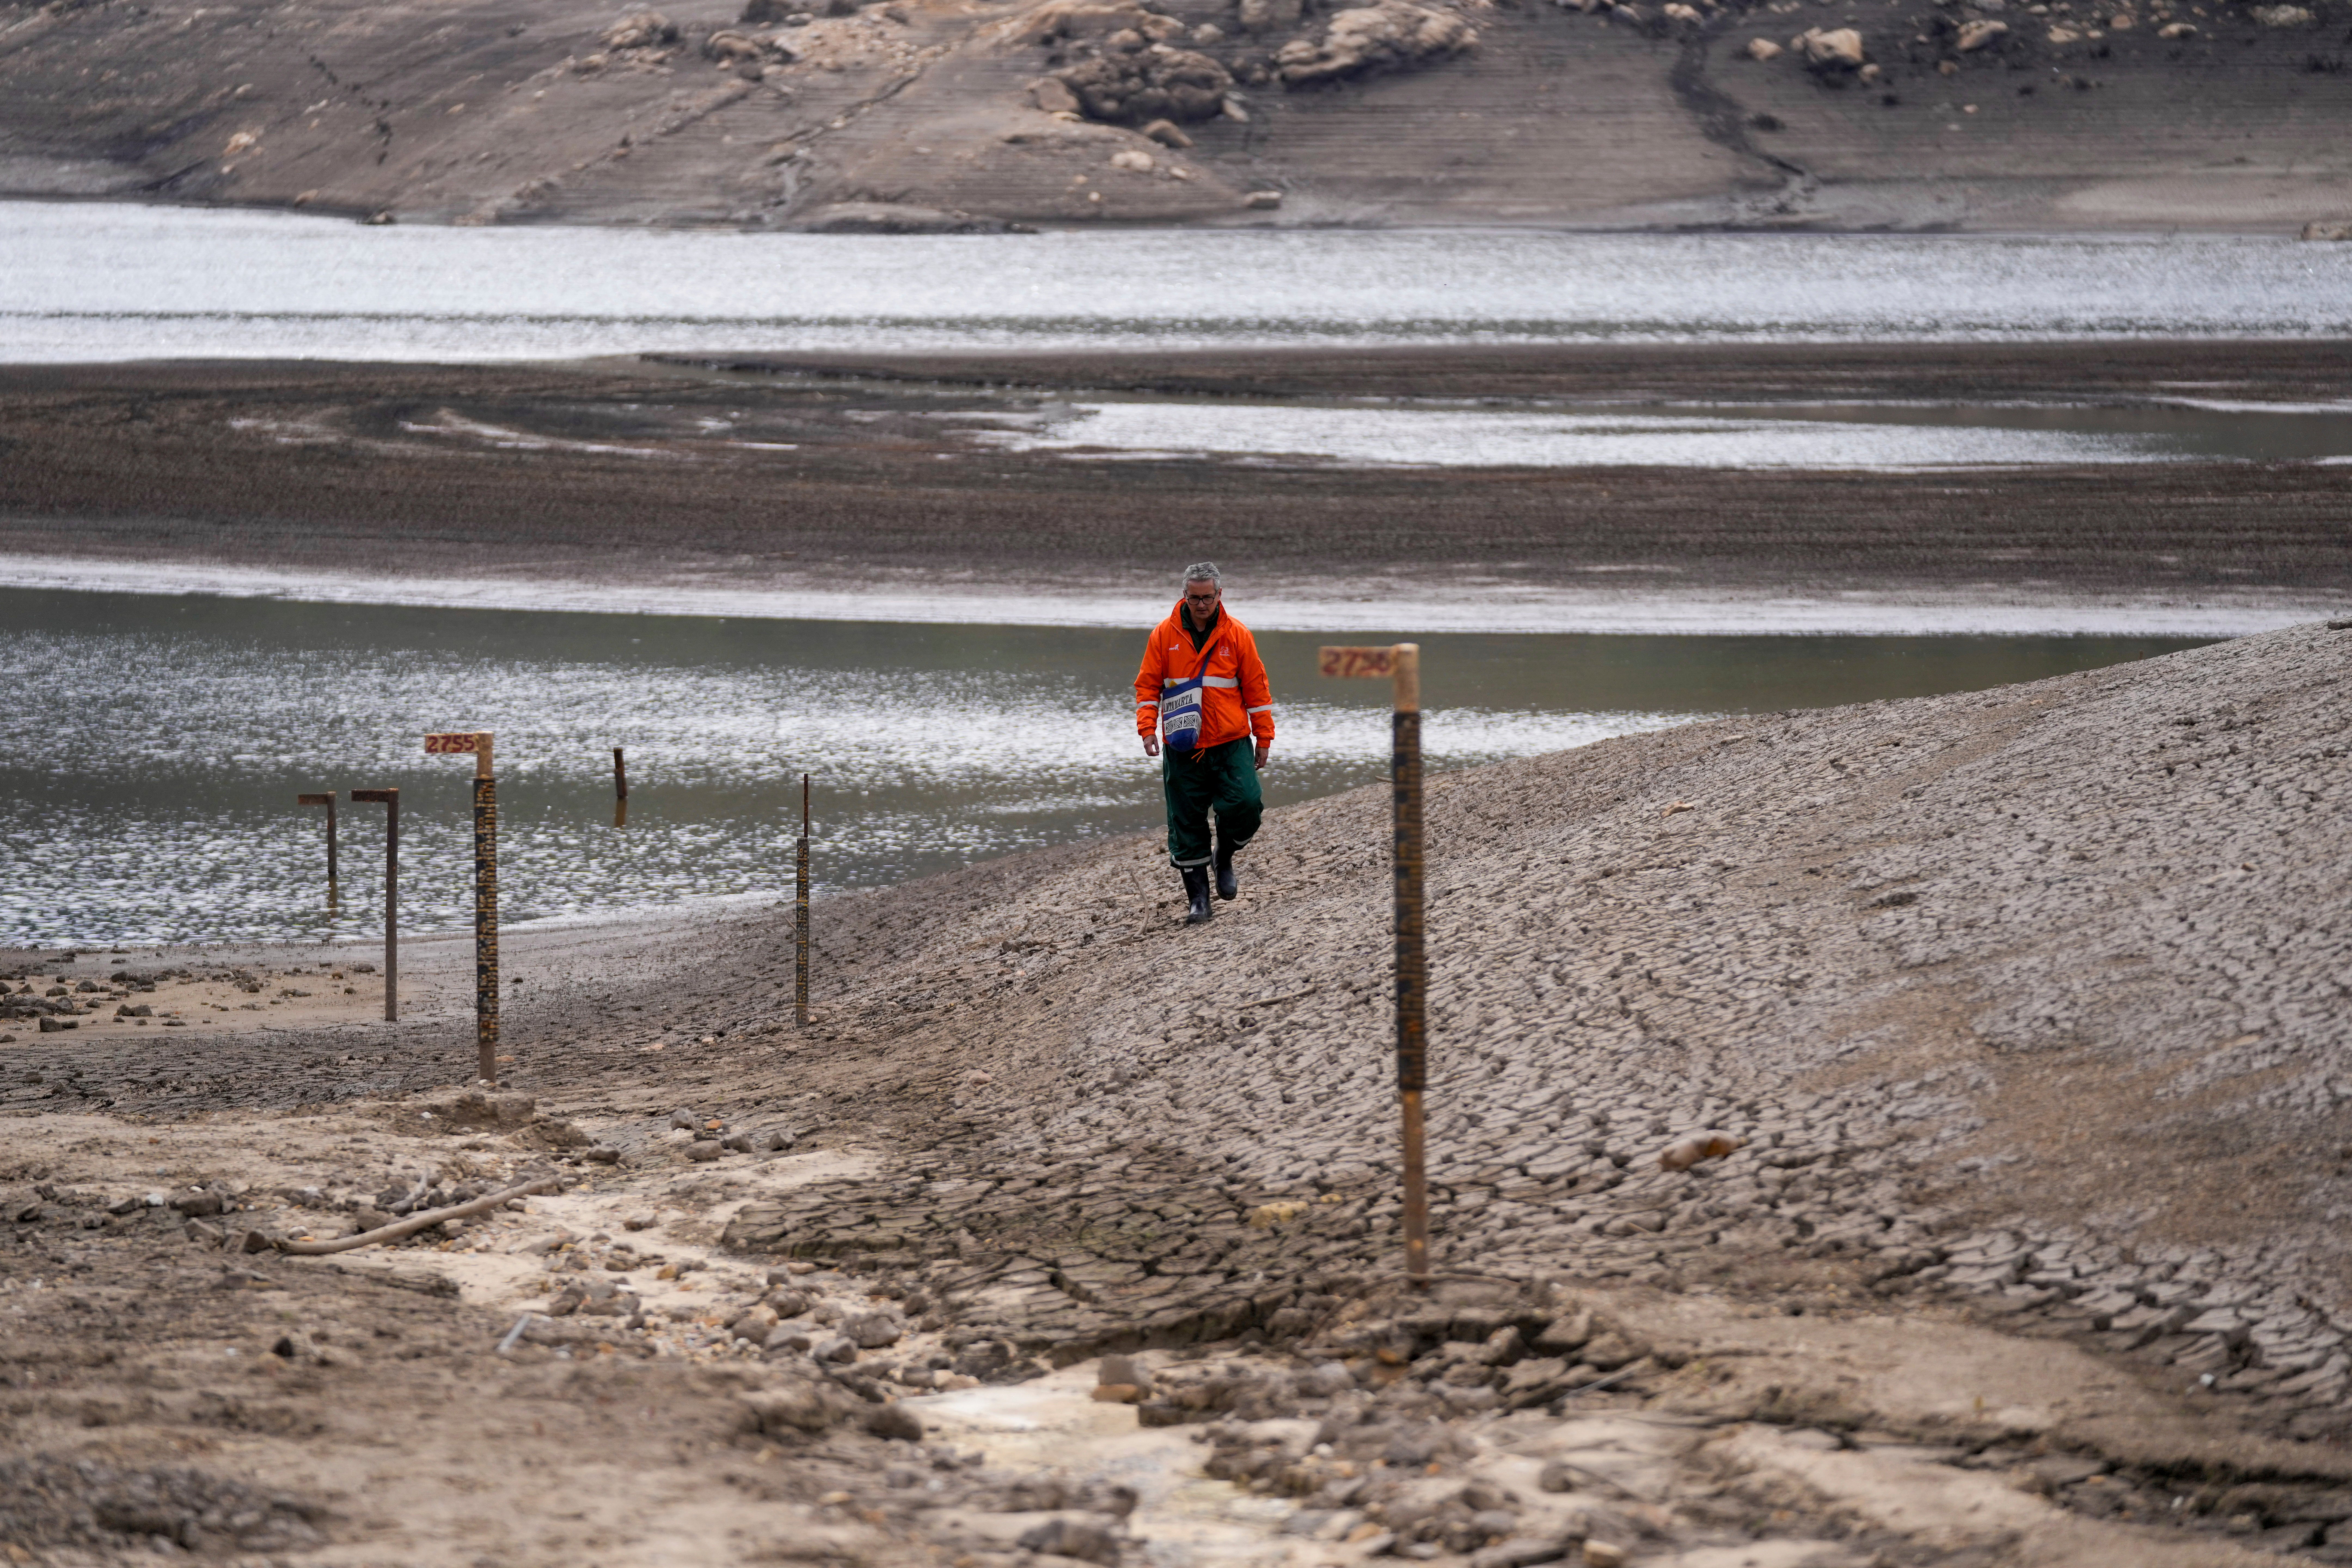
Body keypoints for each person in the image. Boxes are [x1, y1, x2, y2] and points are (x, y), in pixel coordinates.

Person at [1135, 562, 1275, 926]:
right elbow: (1148, 688)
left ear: (1219, 595)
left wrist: (1264, 736)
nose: (1201, 604)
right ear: (1185, 596)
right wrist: (1147, 729)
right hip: (1183, 748)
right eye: (1194, 598)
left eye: (1207, 598)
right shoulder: (1163, 636)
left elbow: (1257, 691)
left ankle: (1224, 854)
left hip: (1231, 743)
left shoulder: (1239, 636)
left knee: (1247, 803)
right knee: (1185, 822)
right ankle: (1199, 901)